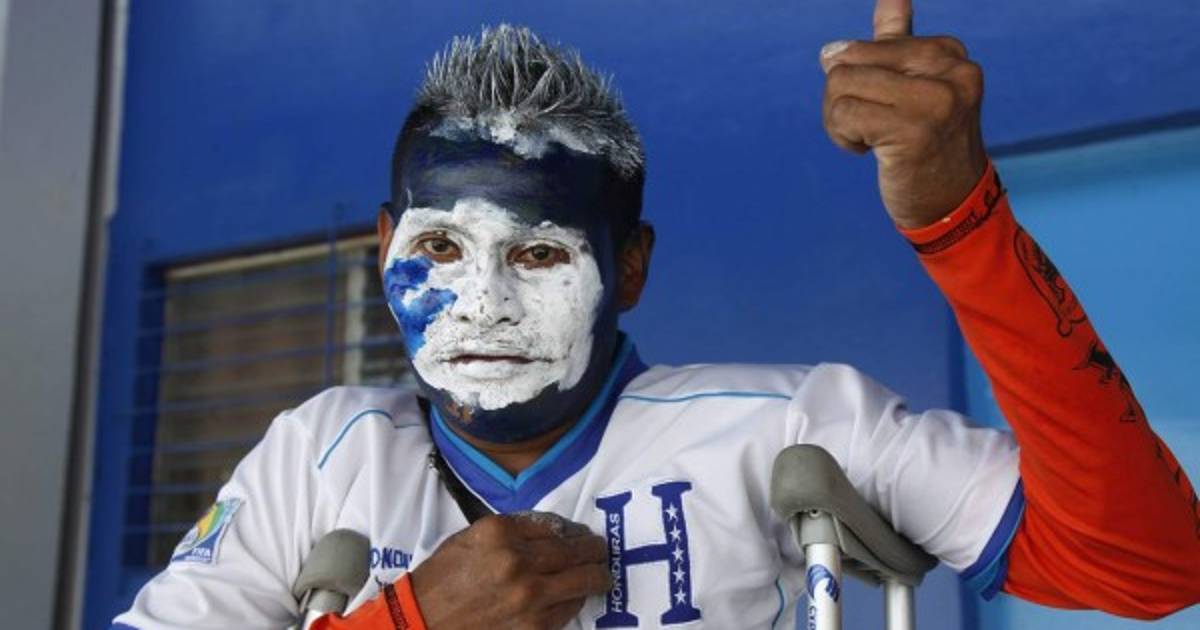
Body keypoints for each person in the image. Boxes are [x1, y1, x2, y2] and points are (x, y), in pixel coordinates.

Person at [113, 2, 1200, 628]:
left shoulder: (784, 427)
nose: (481, 303)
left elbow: (1147, 566)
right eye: (439, 249)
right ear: (384, 243)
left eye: (540, 254)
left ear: (630, 269)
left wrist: (960, 222)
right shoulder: (321, 454)